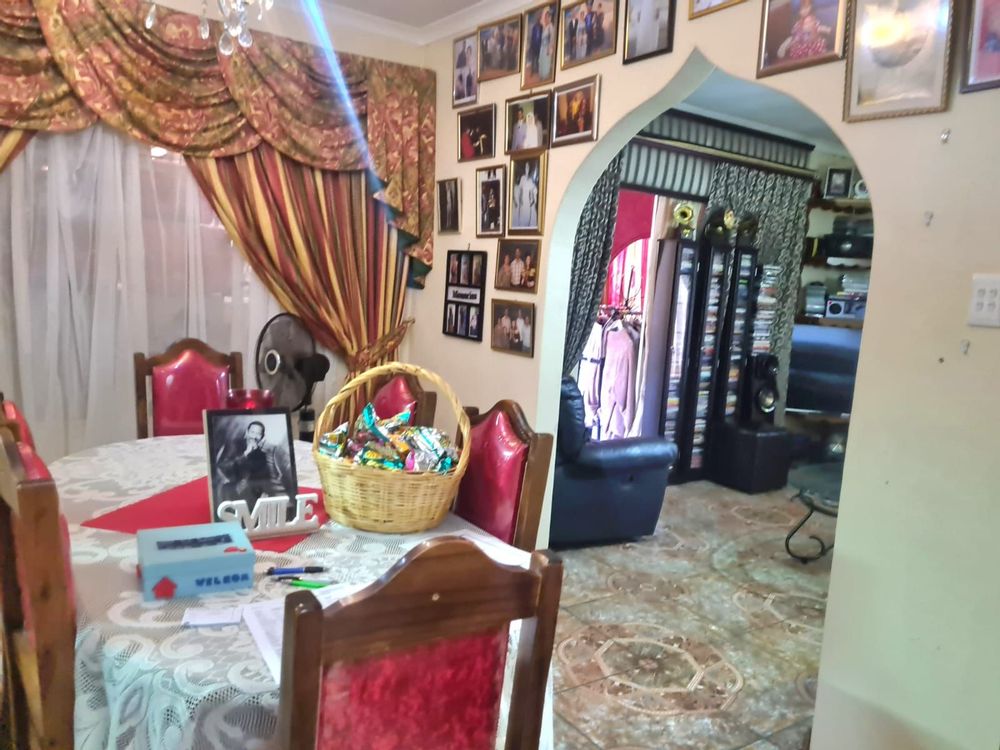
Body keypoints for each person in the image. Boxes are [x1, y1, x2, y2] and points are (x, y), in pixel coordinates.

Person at [216, 421, 294, 503]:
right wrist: (245, 454)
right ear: (247, 432)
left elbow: (263, 477)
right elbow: (223, 467)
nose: (254, 437)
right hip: (228, 489)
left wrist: (264, 492)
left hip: (248, 493)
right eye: (252, 432)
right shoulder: (234, 445)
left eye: (258, 434)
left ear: (262, 437)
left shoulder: (261, 454)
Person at [538, 8, 555, 81]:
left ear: (550, 18)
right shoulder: (545, 27)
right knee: (541, 62)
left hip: (547, 49)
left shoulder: (551, 27)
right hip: (542, 48)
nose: (546, 19)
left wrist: (549, 49)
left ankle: (545, 77)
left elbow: (552, 39)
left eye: (547, 17)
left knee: (546, 63)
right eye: (545, 17)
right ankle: (542, 76)